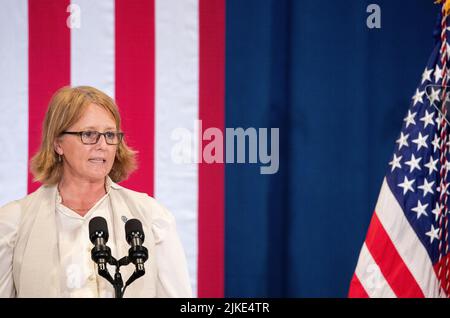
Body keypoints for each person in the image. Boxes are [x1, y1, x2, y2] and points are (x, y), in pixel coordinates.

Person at [0, 86, 192, 298]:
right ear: (58, 144)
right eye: (89, 134)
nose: (103, 145)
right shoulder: (14, 223)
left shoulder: (151, 217)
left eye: (110, 134)